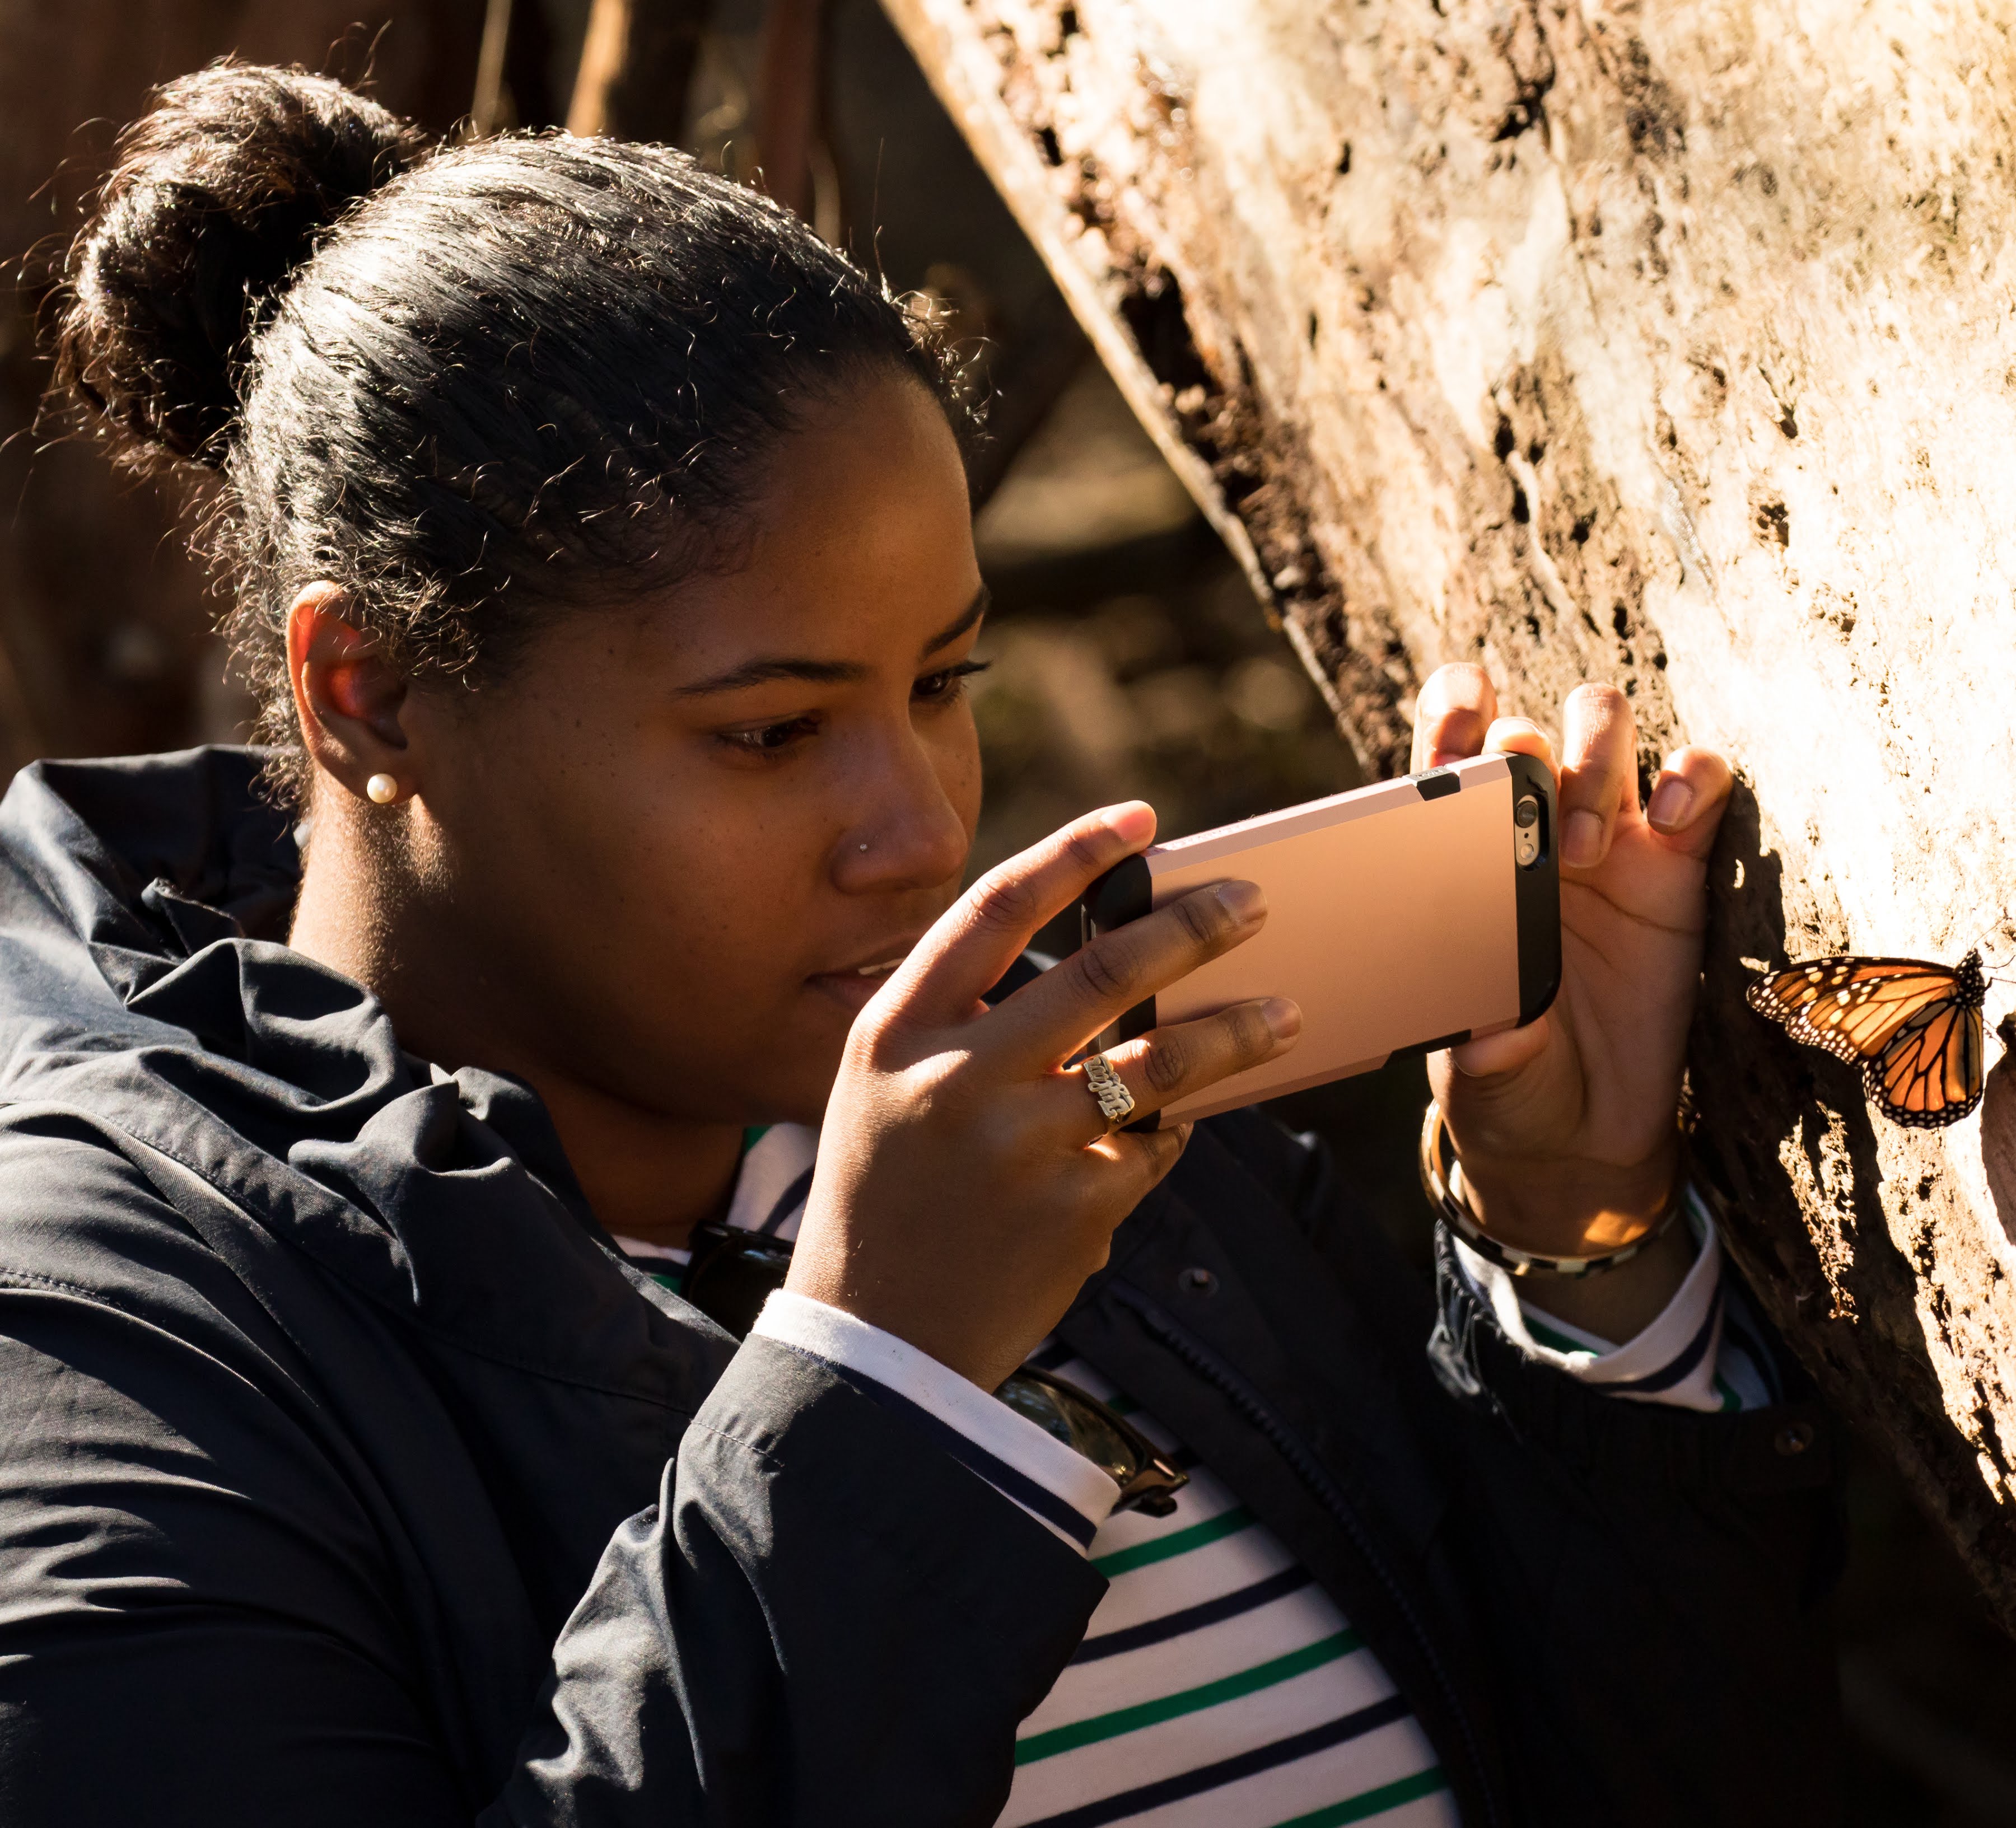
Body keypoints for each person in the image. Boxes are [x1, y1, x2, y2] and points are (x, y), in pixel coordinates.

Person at [0, 64, 1841, 1827]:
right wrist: (881, 1378)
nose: (921, 831)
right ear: (373, 693)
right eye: (772, 733)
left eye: (942, 682)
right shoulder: (112, 1335)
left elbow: (1656, 1776)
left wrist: (1570, 1245)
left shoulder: (1066, 1134)